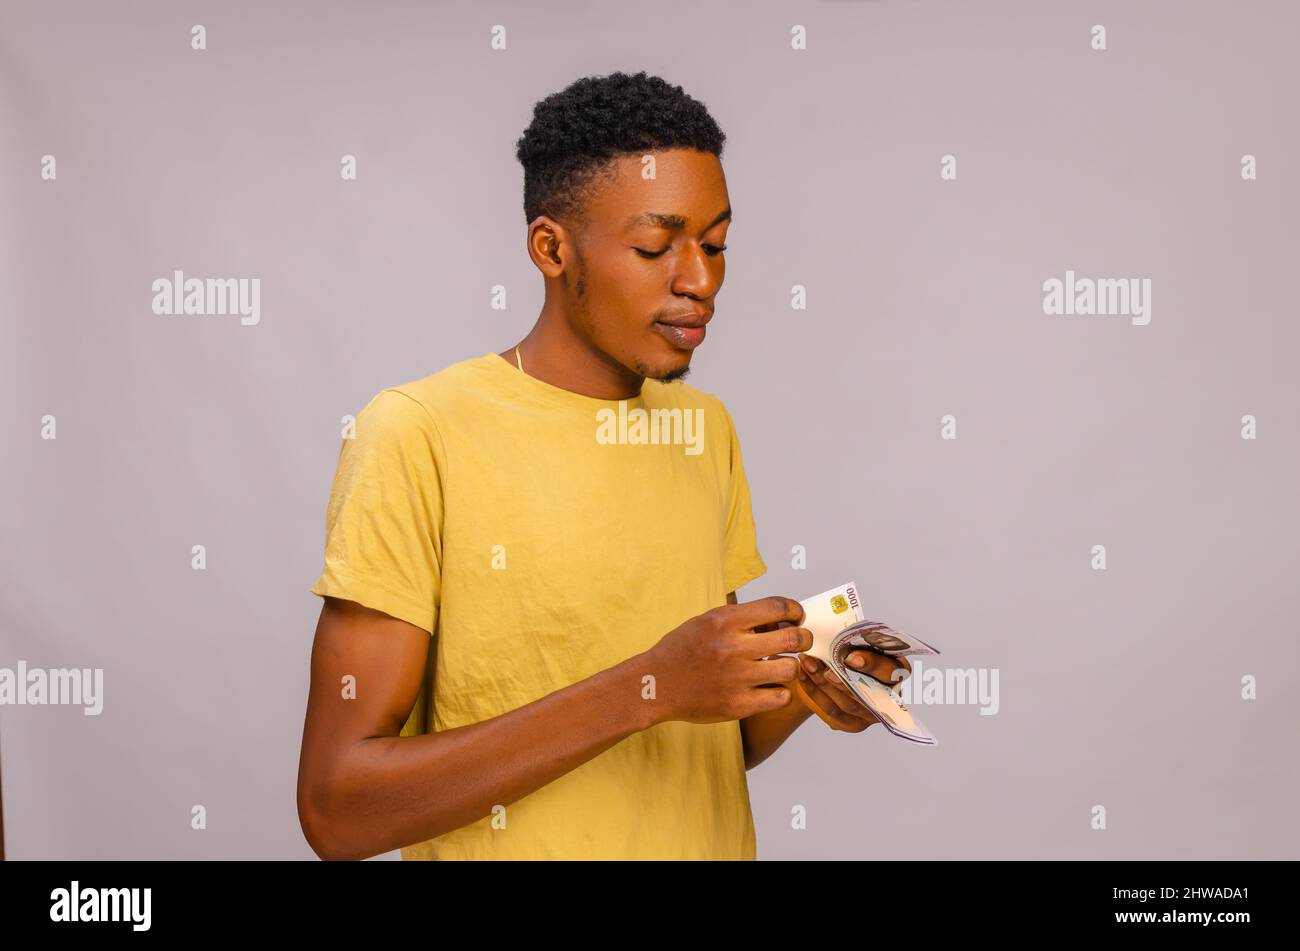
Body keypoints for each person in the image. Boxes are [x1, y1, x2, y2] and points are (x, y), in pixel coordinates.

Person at [296, 70, 909, 861]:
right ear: (551, 247)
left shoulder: (704, 429)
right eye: (656, 246)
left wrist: (803, 688)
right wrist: (650, 684)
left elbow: (709, 738)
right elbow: (339, 809)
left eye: (716, 244)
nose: (701, 280)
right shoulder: (417, 433)